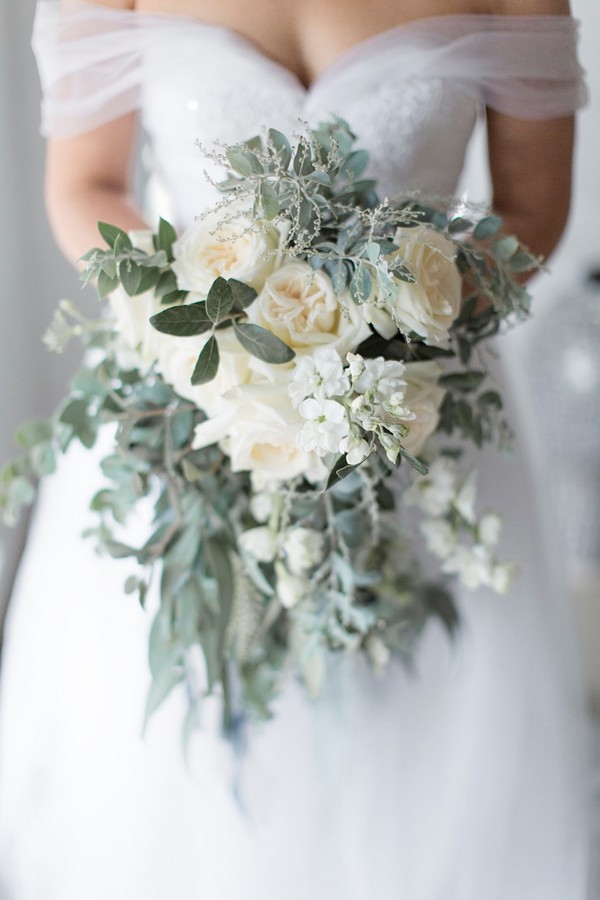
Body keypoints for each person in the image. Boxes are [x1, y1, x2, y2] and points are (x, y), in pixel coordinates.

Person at [0, 0, 590, 897]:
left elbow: (533, 209)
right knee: (175, 766)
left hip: (421, 422)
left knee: (423, 763)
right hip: (184, 406)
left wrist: (374, 345)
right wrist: (219, 346)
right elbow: (84, 186)